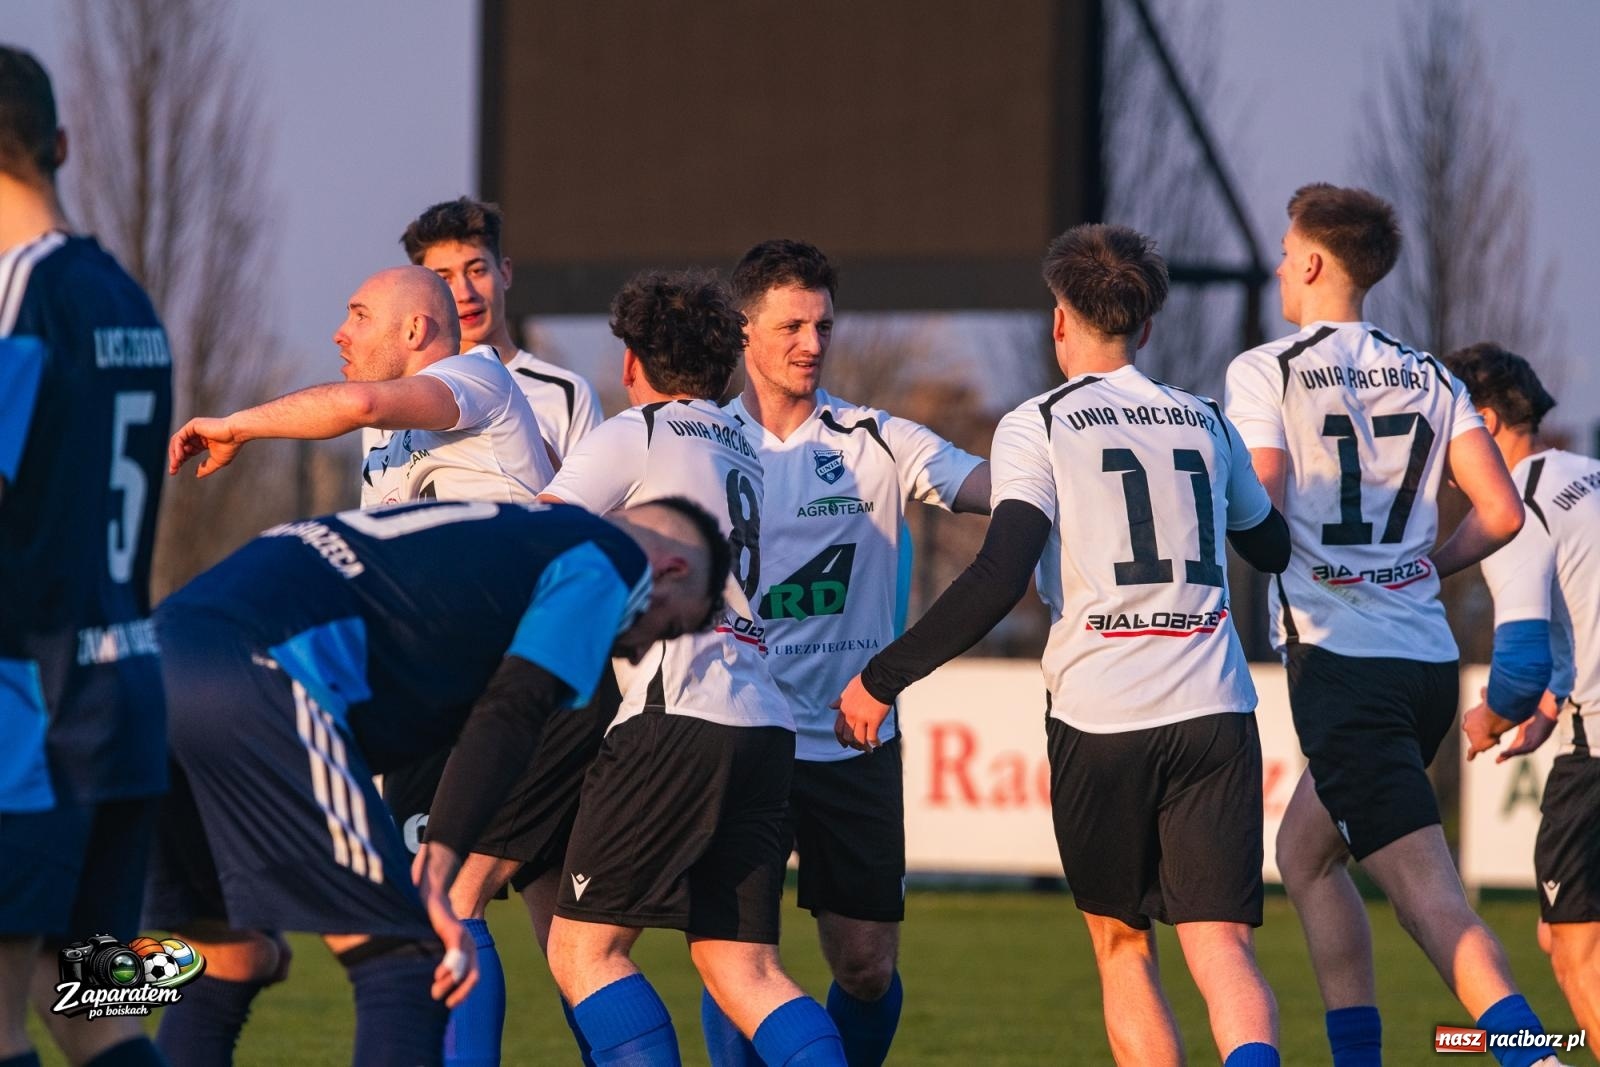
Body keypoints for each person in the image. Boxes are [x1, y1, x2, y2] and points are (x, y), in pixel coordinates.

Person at [837, 223, 1290, 1066]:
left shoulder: (1038, 424)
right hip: (1215, 712)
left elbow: (999, 573)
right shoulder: (1205, 420)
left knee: (1123, 946)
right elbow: (1271, 545)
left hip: (1101, 718)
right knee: (1223, 944)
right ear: (1146, 326)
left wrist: (883, 676)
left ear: (1059, 321)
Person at [143, 497, 728, 1066]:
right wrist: (441, 857)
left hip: (155, 660)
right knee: (413, 958)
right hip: (264, 671)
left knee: (231, 956)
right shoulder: (609, 557)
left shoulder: (513, 534)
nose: (642, 647)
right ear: (671, 570)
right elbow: (514, 709)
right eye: (668, 626)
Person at [1224, 184, 1558, 1067]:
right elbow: (1501, 511)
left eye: (1284, 253)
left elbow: (1261, 507)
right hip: (1424, 665)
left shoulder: (1267, 369)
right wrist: (1425, 566)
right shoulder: (1433, 375)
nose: (1278, 269)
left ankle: (1537, 1055)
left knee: (1430, 903)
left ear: (1311, 262)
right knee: (1304, 854)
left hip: (1345, 666)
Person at [708, 239, 988, 1067]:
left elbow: (987, 486)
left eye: (823, 325)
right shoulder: (702, 441)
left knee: (866, 967)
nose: (812, 343)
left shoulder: (877, 439)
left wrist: (1060, 473)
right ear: (744, 328)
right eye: (791, 325)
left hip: (852, 741)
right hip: (741, 739)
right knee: (737, 959)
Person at [0, 43, 172, 1067]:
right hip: (125, 699)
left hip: (29, 708)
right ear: (59, 144)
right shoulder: (124, 294)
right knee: (95, 1007)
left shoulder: (19, 295)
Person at [1449, 343, 1600, 1042]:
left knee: (1574, 948)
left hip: (1596, 746)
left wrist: (1489, 716)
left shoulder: (1513, 508)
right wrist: (1551, 700)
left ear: (1482, 421)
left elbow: (1516, 666)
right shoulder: (1589, 475)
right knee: (1561, 930)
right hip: (1579, 716)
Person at [167, 264, 553, 501]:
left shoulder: (479, 374)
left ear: (414, 330)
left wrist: (236, 428)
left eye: (360, 316)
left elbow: (360, 404)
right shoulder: (381, 434)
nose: (340, 333)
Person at [401, 196, 601, 461]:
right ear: (423, 291)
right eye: (444, 279)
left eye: (476, 271)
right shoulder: (398, 398)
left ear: (504, 273)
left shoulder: (568, 393)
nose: (465, 293)